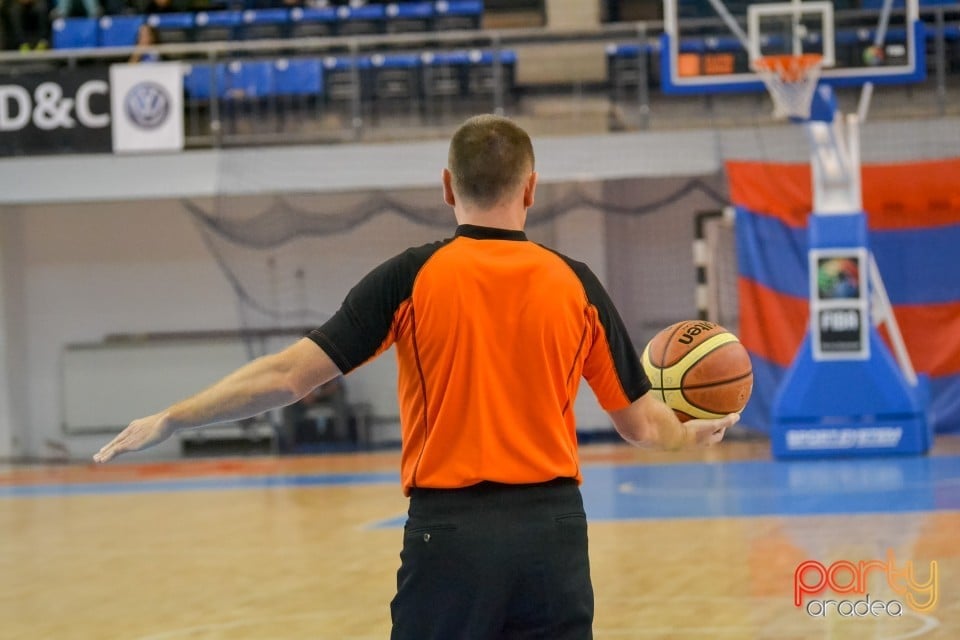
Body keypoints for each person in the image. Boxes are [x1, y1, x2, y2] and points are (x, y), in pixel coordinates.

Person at [94, 114, 739, 639]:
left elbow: (290, 376)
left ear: (448, 187)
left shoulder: (410, 277)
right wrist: (696, 433)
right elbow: (639, 424)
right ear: (532, 188)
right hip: (554, 537)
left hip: (451, 536)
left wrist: (173, 416)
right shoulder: (577, 285)